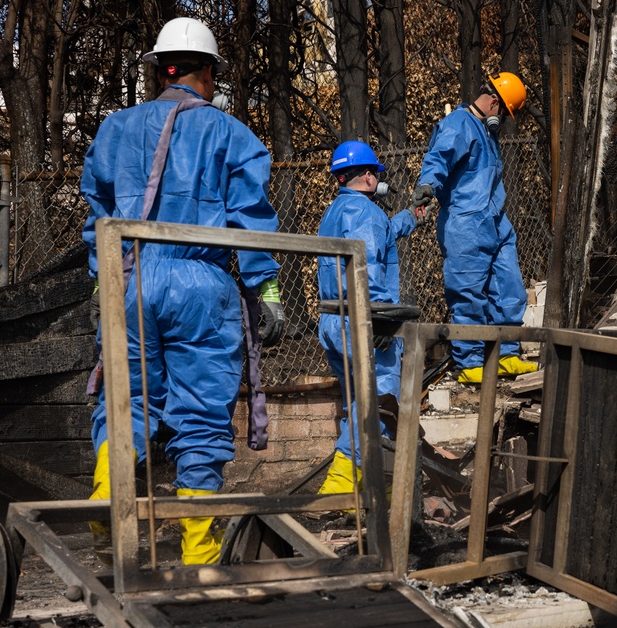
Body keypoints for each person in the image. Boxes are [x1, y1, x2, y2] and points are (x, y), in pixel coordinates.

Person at [80, 17, 285, 565]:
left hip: (128, 277)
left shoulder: (116, 128)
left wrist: (104, 274)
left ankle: (107, 508)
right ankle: (198, 549)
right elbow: (250, 220)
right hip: (201, 284)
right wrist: (265, 290)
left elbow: (98, 208)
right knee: (199, 414)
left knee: (127, 400)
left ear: (161, 69)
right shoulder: (229, 134)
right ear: (208, 72)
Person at [412, 72, 538, 384]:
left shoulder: (487, 133)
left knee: (509, 290)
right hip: (466, 224)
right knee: (467, 293)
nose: (504, 120)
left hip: (496, 222)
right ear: (495, 102)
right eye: (505, 114)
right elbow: (438, 158)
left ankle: (506, 355)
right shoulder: (459, 123)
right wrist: (427, 185)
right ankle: (470, 363)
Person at [316, 141, 424, 494]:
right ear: (365, 176)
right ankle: (339, 491)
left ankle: (352, 486)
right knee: (376, 407)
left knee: (357, 402)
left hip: (335, 321)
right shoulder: (367, 214)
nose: (378, 179)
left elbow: (381, 237)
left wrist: (410, 215)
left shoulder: (336, 211)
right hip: (365, 321)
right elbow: (369, 268)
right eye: (376, 173)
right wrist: (379, 320)